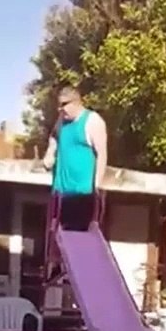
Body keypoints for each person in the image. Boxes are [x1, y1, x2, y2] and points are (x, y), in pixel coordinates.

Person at [40, 86, 108, 233]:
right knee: (59, 236)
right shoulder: (62, 121)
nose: (60, 109)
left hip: (82, 193)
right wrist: (50, 153)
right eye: (59, 105)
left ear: (76, 102)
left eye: (63, 104)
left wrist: (97, 186)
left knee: (77, 237)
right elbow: (54, 136)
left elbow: (102, 154)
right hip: (61, 192)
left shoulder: (92, 121)